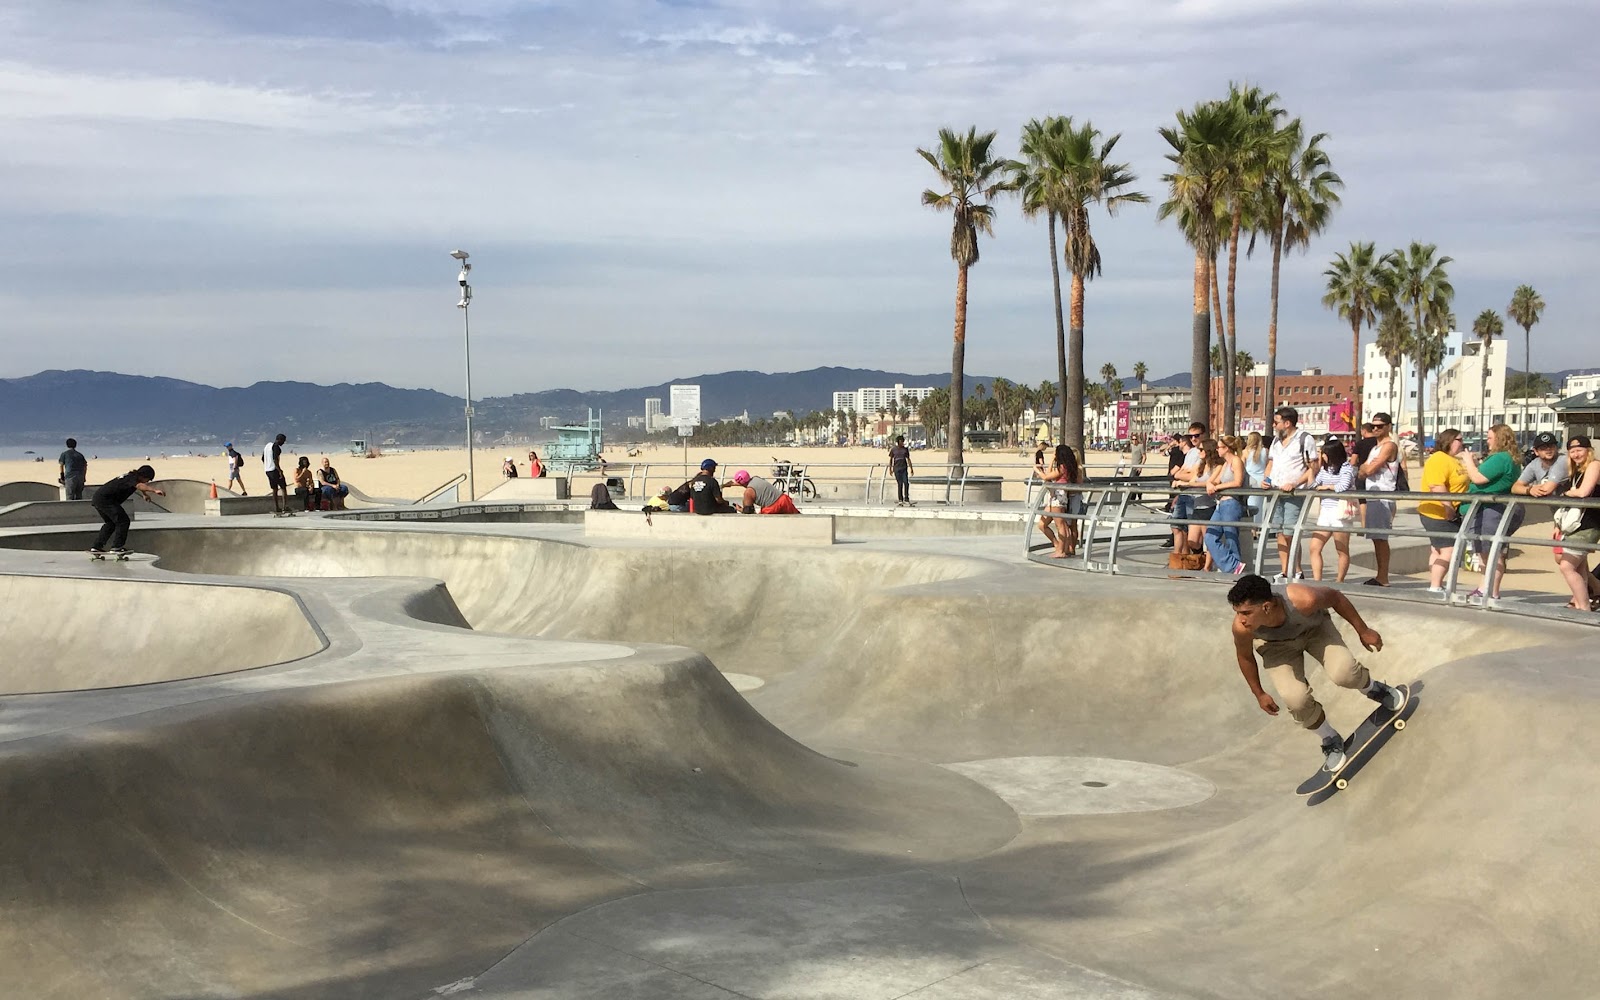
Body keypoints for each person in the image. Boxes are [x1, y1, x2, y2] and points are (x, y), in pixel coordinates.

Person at [1227, 573, 1406, 774]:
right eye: (1237, 612)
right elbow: (1245, 657)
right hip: (1276, 648)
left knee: (1344, 673)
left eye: (1246, 613)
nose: (1241, 620)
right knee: (1296, 700)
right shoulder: (1241, 628)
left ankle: (1373, 689)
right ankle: (1329, 738)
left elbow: (1336, 597)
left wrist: (1363, 630)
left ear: (1266, 607)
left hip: (1314, 630)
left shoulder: (1302, 599)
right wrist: (1258, 693)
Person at [1459, 424, 1522, 600]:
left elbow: (1478, 478)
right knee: (1487, 551)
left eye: (1489, 438)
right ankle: (1485, 587)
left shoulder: (1501, 457)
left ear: (1499, 439)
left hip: (1492, 510)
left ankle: (1491, 591)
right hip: (1492, 509)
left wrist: (1468, 460)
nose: (1487, 442)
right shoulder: (1508, 458)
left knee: (1491, 551)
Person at [1261, 407, 1319, 581]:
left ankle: (1297, 570)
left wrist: (1295, 483)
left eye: (1277, 422)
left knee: (1290, 532)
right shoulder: (1276, 442)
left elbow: (1313, 466)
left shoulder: (1304, 439)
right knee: (1279, 531)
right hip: (1276, 491)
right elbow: (1271, 463)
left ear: (1287, 423)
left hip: (1295, 493)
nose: (1274, 425)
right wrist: (1266, 479)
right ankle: (1285, 570)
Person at [1418, 428, 1469, 593]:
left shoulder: (1453, 460)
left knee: (1437, 549)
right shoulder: (1439, 459)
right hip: (1437, 512)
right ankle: (1435, 585)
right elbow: (1436, 485)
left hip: (1446, 511)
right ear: (1449, 441)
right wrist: (1448, 507)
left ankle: (1435, 583)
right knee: (1449, 550)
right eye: (1459, 440)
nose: (1462, 443)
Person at [1554, 435, 1600, 612]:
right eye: (1572, 451)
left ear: (1588, 450)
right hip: (1575, 524)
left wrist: (1568, 494)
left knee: (1567, 566)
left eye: (1579, 450)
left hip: (1589, 523)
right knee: (1579, 567)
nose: (1575, 454)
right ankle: (1588, 598)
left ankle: (1584, 606)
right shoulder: (1576, 471)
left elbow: (1584, 492)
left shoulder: (1595, 465)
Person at [1356, 413, 1401, 587]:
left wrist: (1365, 468)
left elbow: (1368, 469)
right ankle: (1381, 576)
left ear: (1389, 426)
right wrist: (1365, 468)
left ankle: (1383, 577)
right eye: (1373, 426)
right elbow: (1361, 470)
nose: (1375, 429)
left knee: (1381, 538)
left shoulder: (1389, 445)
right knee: (1376, 538)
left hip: (1384, 495)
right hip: (1373, 495)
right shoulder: (1376, 447)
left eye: (1380, 426)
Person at [1308, 438, 1358, 582]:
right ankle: (1317, 580)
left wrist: (1328, 487)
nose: (1322, 456)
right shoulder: (1325, 469)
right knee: (1314, 547)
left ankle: (1339, 580)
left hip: (1340, 512)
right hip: (1325, 512)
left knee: (1341, 550)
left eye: (1324, 453)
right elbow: (1313, 485)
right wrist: (1312, 469)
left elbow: (1343, 486)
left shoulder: (1346, 468)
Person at [89, 465, 164, 556]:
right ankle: (117, 547)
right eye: (147, 480)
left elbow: (139, 485)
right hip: (106, 500)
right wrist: (154, 490)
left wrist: (145, 494)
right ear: (143, 476)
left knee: (111, 523)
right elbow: (140, 485)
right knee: (123, 521)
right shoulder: (131, 478)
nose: (147, 482)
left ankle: (96, 547)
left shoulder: (131, 477)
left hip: (99, 498)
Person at [1202, 435, 1248, 574]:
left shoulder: (1236, 461)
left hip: (1232, 502)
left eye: (1219, 447)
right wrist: (1211, 484)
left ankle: (1234, 567)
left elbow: (1237, 482)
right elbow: (1214, 480)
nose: (1217, 450)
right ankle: (1232, 566)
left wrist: (1218, 487)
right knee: (1210, 536)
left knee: (1231, 536)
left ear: (1226, 448)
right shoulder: (1225, 464)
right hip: (1221, 503)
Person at [1038, 445, 1085, 557]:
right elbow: (1049, 476)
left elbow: (1046, 477)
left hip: (1059, 496)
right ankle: (1060, 546)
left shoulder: (1063, 468)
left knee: (1062, 525)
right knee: (1044, 524)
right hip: (1059, 496)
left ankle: (1061, 551)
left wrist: (1037, 470)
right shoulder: (1067, 467)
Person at [1167, 422, 1208, 550]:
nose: (1193, 439)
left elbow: (1194, 475)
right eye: (1191, 436)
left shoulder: (1205, 452)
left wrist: (1183, 475)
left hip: (1196, 496)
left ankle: (1196, 560)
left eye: (1196, 435)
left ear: (1203, 435)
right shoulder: (1191, 453)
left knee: (1193, 533)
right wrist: (1184, 475)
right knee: (1177, 525)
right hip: (1184, 493)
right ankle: (1180, 558)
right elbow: (1181, 472)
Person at [730, 469, 799, 514]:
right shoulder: (756, 478)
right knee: (798, 518)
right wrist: (731, 484)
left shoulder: (748, 492)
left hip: (771, 508)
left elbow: (748, 512)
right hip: (783, 499)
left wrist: (740, 510)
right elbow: (746, 483)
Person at [262, 433, 291, 516]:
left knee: (274, 489)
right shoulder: (276, 448)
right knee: (283, 487)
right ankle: (285, 506)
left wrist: (267, 465)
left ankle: (276, 507)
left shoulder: (267, 446)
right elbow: (275, 460)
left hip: (267, 470)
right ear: (280, 440)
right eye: (283, 441)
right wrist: (280, 470)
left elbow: (263, 458)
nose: (283, 443)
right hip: (274, 470)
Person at [1241, 431, 1267, 519]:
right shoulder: (1265, 451)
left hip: (1251, 481)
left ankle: (1253, 528)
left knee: (1252, 506)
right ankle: (1260, 526)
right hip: (1263, 480)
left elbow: (1242, 467)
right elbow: (1269, 467)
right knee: (1261, 506)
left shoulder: (1245, 452)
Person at [888, 435, 915, 506]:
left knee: (906, 483)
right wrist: (890, 469)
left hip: (904, 468)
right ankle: (900, 499)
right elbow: (891, 460)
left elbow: (908, 459)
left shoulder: (905, 449)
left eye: (903, 441)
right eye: (901, 441)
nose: (902, 443)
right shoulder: (893, 449)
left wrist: (911, 469)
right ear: (898, 442)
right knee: (900, 484)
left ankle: (906, 498)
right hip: (897, 469)